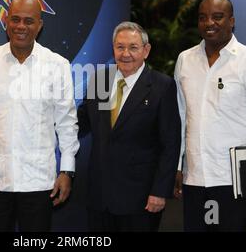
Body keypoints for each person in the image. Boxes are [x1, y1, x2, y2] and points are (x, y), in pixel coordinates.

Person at [0, 0, 79, 232]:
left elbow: (66, 122)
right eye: (15, 19)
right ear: (6, 21)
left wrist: (67, 170)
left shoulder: (57, 65)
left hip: (39, 180)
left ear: (39, 25)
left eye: (28, 21)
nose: (21, 27)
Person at [174, 0, 246, 231]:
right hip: (195, 178)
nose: (209, 23)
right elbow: (181, 118)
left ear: (232, 21)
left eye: (217, 17)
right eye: (203, 18)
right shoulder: (185, 60)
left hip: (234, 181)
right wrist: (177, 167)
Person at [77, 21, 181, 231]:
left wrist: (160, 191)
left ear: (146, 50)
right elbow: (79, 123)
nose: (126, 53)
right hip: (99, 197)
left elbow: (170, 144)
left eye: (133, 47)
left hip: (140, 199)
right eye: (120, 47)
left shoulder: (162, 86)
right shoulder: (101, 81)